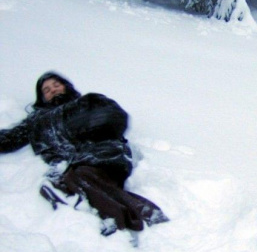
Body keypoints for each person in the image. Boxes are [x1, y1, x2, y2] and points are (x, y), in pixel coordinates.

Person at [0, 71, 168, 242]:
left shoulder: (87, 102)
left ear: (66, 86)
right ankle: (127, 214)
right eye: (46, 89)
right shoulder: (35, 121)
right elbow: (8, 140)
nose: (52, 90)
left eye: (56, 85)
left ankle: (122, 218)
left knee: (81, 177)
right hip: (73, 164)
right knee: (65, 182)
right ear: (42, 97)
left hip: (104, 152)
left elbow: (114, 116)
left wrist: (73, 124)